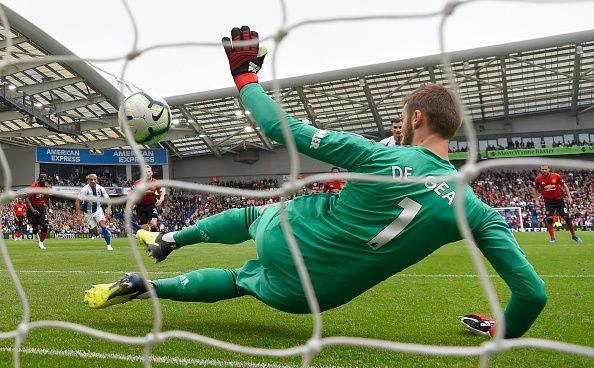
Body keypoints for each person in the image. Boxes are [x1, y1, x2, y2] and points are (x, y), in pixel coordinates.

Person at [84, 26, 547, 339]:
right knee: (241, 281)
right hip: (309, 297)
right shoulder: (477, 208)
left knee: (258, 213)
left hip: (289, 238)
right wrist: (502, 328)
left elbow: (279, 127)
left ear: (417, 117)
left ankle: (169, 240)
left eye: (402, 118)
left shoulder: (378, 156)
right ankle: (147, 286)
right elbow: (533, 293)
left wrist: (244, 75)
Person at [533, 165, 582, 244]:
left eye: (546, 169)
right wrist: (536, 200)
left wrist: (569, 197)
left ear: (549, 169)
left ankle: (574, 236)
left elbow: (564, 186)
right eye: (543, 169)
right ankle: (552, 238)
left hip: (559, 201)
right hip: (548, 202)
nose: (544, 171)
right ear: (541, 170)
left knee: (567, 218)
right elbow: (535, 189)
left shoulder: (556, 176)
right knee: (549, 219)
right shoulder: (538, 179)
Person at [75, 174, 113, 251]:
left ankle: (109, 245)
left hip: (98, 210)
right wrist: (78, 214)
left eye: (95, 179)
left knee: (103, 225)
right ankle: (104, 231)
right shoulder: (84, 190)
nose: (93, 181)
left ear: (97, 180)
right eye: (91, 180)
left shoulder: (101, 188)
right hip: (88, 213)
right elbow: (77, 202)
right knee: (96, 233)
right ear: (88, 180)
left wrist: (109, 208)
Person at [131, 165, 164, 232]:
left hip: (151, 205)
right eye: (145, 172)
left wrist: (160, 201)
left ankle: (154, 240)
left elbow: (162, 194)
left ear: (152, 173)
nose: (147, 173)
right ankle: (147, 238)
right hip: (140, 206)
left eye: (149, 171)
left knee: (154, 224)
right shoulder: (137, 183)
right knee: (144, 229)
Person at [26, 173, 52, 249]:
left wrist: (50, 208)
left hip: (41, 207)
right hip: (32, 207)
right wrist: (33, 210)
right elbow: (27, 198)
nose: (43, 179)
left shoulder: (46, 188)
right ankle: (35, 234)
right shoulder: (34, 186)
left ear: (46, 178)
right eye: (41, 177)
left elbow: (48, 198)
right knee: (35, 227)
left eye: (44, 177)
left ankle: (41, 243)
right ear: (39, 178)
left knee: (45, 225)